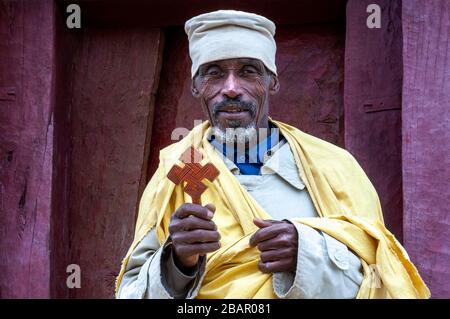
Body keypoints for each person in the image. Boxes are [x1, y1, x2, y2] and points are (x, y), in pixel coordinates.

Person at [116, 10, 429, 299]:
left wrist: (305, 256)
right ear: (196, 87)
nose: (231, 88)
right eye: (213, 73)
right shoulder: (177, 171)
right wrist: (176, 264)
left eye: (249, 72)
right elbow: (129, 293)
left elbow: (381, 280)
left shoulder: (334, 167)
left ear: (273, 82)